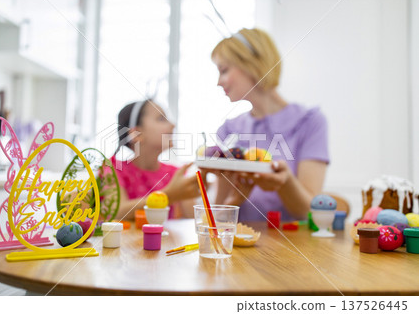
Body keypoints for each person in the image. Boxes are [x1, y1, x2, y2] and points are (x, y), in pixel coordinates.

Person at [210, 28, 329, 221]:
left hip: (292, 245)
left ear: (252, 64)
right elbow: (220, 212)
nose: (218, 82)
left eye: (224, 70)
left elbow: (311, 213)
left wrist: (285, 182)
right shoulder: (228, 129)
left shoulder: (310, 122)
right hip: (239, 242)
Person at [110, 99, 200, 220]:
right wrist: (170, 195)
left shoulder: (174, 173)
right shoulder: (113, 169)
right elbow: (116, 213)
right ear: (137, 134)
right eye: (161, 119)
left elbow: (196, 220)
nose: (173, 125)